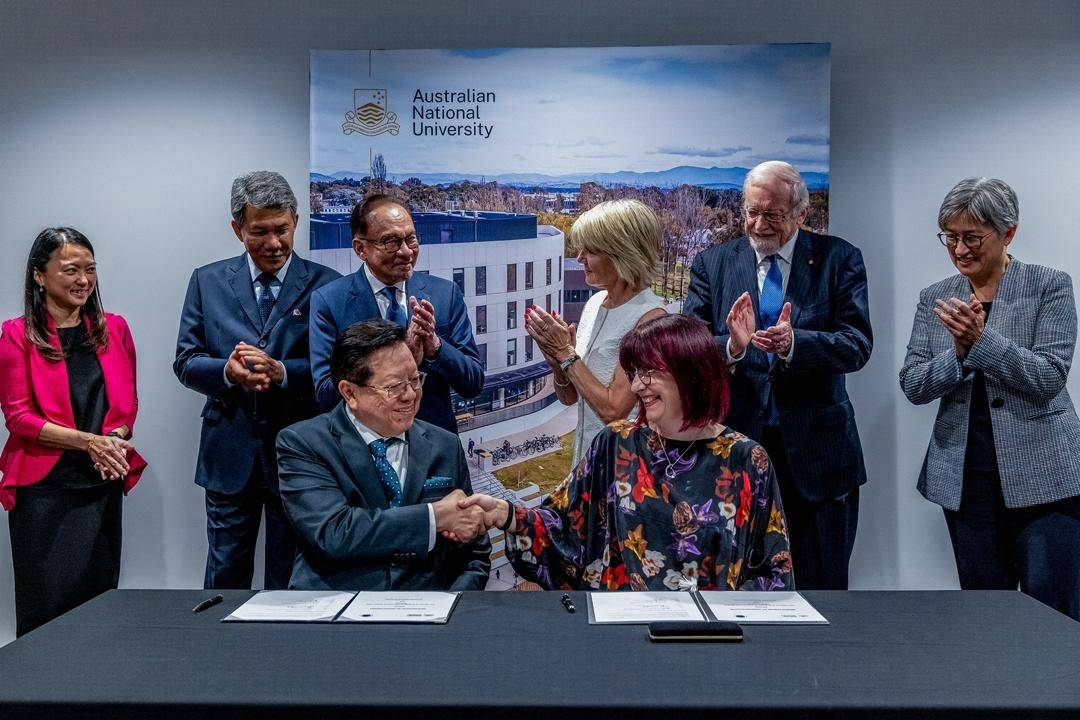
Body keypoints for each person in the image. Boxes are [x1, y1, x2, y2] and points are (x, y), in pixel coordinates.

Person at [458, 315, 791, 592]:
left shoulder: (747, 459)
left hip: (707, 644)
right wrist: (504, 514)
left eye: (648, 373)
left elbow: (773, 573)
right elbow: (561, 529)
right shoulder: (616, 444)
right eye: (634, 374)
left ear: (692, 374)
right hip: (619, 634)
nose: (635, 387)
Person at [683, 160, 872, 590]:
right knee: (733, 588)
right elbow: (689, 348)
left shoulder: (838, 260)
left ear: (802, 214)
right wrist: (731, 346)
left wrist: (797, 344)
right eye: (752, 211)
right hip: (733, 457)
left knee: (822, 589)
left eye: (773, 214)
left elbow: (858, 344)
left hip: (818, 462)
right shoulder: (712, 263)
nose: (758, 224)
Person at [899, 177, 1080, 620]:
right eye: (951, 238)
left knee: (1051, 614)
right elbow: (914, 384)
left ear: (1008, 233)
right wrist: (958, 358)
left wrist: (981, 343)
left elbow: (1048, 376)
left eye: (972, 238)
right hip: (965, 482)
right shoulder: (934, 298)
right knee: (986, 617)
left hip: (1046, 481)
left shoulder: (1049, 286)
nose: (960, 249)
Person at [174, 170, 341, 590]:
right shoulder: (206, 281)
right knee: (225, 573)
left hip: (301, 454)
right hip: (229, 454)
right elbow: (186, 361)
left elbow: (341, 370)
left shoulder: (328, 286)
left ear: (297, 222)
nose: (273, 244)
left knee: (291, 579)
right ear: (237, 229)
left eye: (282, 230)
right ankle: (219, 655)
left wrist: (284, 372)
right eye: (259, 232)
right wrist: (227, 373)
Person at [0, 228, 147, 636]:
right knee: (44, 605)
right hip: (44, 491)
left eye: (90, 269)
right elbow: (19, 418)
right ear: (39, 276)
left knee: (99, 601)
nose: (84, 280)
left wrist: (114, 438)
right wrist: (90, 443)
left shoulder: (114, 328)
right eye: (71, 270)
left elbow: (128, 402)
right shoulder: (16, 335)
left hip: (99, 484)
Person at [277, 319, 490, 590]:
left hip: (428, 612)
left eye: (415, 379)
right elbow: (334, 533)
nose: (410, 395)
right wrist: (434, 517)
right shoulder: (303, 443)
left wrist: (451, 604)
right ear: (350, 393)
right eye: (394, 387)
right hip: (337, 609)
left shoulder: (444, 444)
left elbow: (475, 554)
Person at [309, 195, 483, 433]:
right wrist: (393, 362)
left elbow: (473, 382)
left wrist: (435, 348)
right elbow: (326, 395)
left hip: (433, 447)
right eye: (390, 242)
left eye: (410, 239)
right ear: (361, 249)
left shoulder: (444, 294)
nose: (405, 252)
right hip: (362, 450)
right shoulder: (330, 302)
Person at [526, 199, 666, 468]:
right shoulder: (594, 303)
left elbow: (613, 412)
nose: (580, 258)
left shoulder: (650, 319)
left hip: (621, 472)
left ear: (622, 253)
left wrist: (566, 354)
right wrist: (557, 362)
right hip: (585, 466)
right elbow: (570, 398)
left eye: (590, 250)